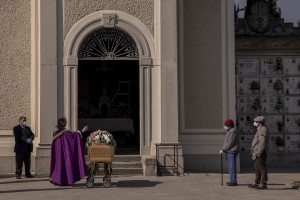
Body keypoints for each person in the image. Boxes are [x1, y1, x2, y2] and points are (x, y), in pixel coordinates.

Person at [50, 117, 88, 185]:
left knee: (59, 164)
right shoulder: (63, 131)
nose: (66, 124)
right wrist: (82, 131)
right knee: (63, 163)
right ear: (62, 122)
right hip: (62, 151)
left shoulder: (56, 129)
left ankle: (56, 179)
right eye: (65, 122)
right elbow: (72, 136)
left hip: (57, 152)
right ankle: (62, 180)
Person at [248, 116, 269, 190]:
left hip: (260, 152)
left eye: (255, 122)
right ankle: (257, 182)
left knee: (262, 168)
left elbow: (262, 143)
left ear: (259, 123)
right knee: (257, 168)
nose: (254, 123)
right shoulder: (260, 129)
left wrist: (259, 153)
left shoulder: (263, 130)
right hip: (256, 152)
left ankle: (263, 183)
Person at [220, 119, 239, 186]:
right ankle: (232, 180)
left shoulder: (232, 131)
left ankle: (233, 181)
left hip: (232, 151)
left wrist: (223, 149)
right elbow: (227, 142)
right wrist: (224, 149)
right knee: (230, 166)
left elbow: (229, 143)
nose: (225, 126)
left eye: (225, 125)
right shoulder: (229, 131)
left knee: (232, 166)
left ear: (229, 125)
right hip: (229, 151)